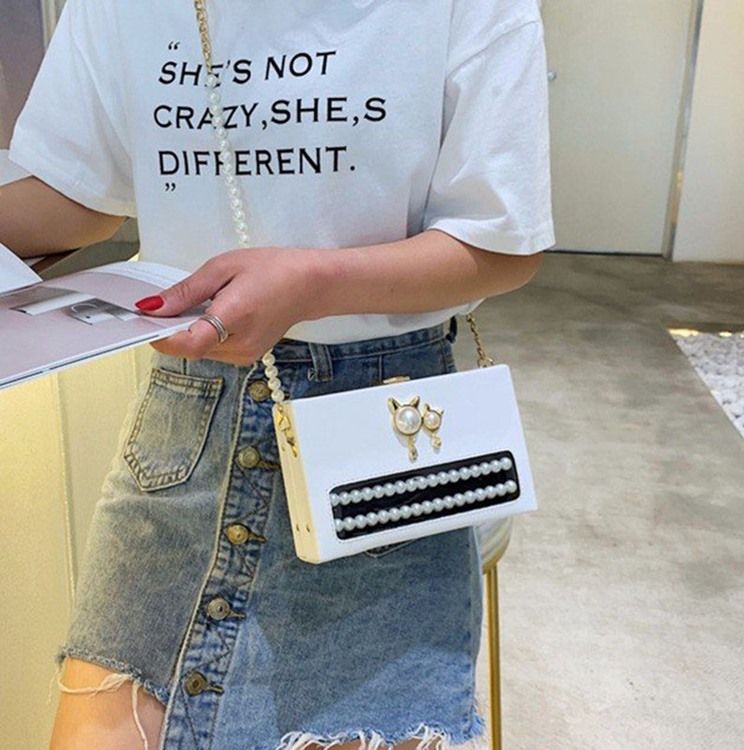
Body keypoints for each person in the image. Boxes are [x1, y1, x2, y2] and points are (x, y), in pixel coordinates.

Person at [1, 0, 555, 748]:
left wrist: (313, 283)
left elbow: (500, 242)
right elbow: (76, 193)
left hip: (381, 441)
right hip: (186, 436)